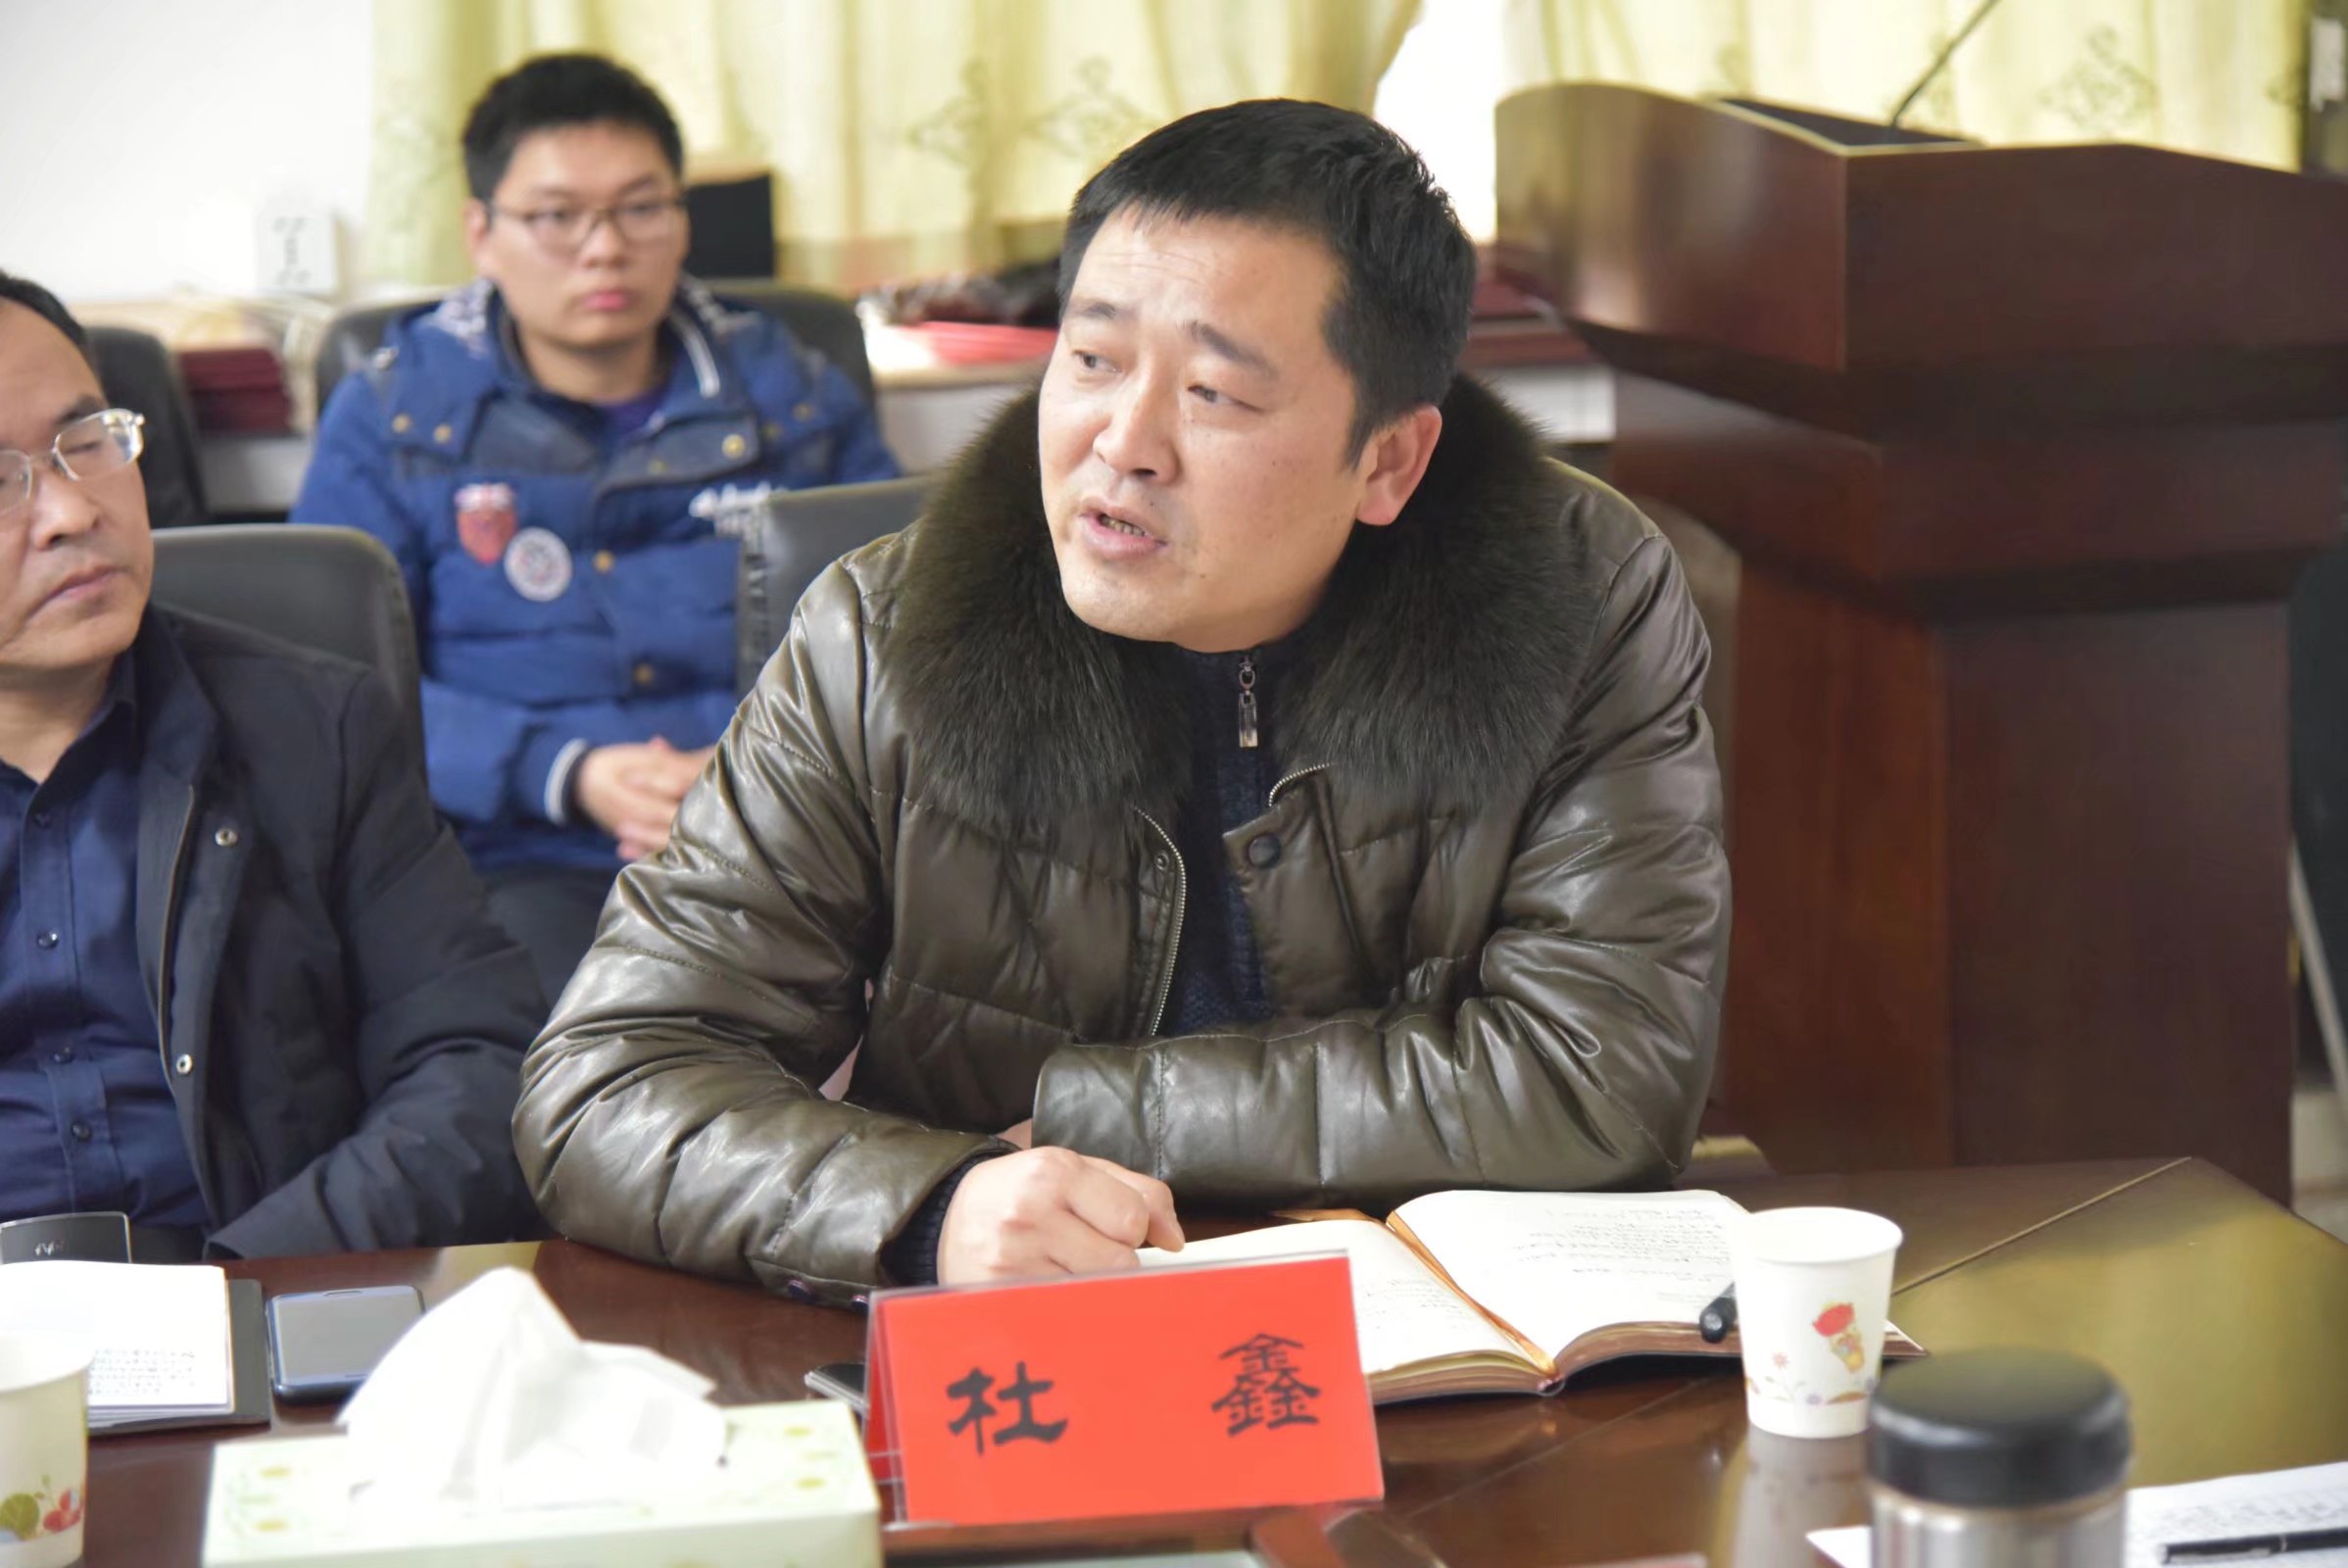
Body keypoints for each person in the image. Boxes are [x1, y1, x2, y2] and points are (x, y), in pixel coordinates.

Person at [514, 100, 1729, 1301]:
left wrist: (1091, 1110)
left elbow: (1600, 1075)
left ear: (1386, 460)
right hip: (1028, 1344)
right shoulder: (877, 640)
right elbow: (608, 1083)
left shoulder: (1577, 599)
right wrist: (929, 1206)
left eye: (1213, 392)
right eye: (1090, 360)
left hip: (1431, 1345)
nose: (1122, 443)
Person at [293, 53, 899, 997]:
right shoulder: (397, 411)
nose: (605, 248)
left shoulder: (788, 388)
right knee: (571, 1033)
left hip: (794, 824)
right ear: (482, 233)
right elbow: (334, 681)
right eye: (556, 216)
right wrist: (568, 771)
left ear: (682, 219)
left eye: (641, 208)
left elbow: (901, 623)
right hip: (517, 849)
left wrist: (760, 769)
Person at [0, 272, 545, 1258]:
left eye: (87, 440)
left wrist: (238, 1285)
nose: (72, 510)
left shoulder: (314, 726)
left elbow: (476, 1064)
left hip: (269, 1288)